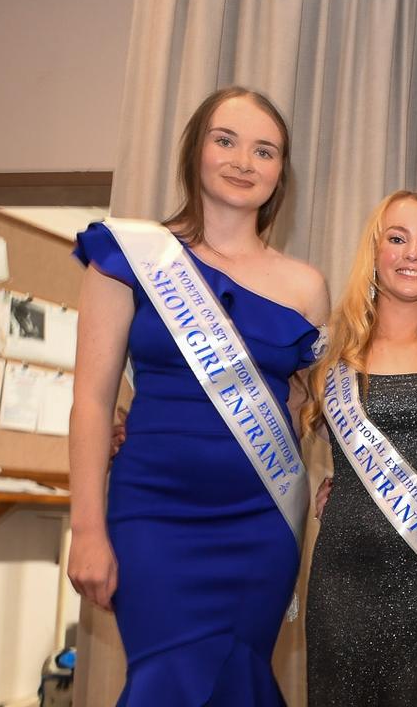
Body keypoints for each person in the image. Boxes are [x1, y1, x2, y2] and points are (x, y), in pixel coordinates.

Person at [67, 86, 330, 705]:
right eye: (226, 140)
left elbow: (304, 409)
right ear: (195, 151)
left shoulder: (306, 286)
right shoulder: (127, 256)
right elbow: (90, 401)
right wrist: (86, 528)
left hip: (260, 525)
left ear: (279, 173)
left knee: (239, 677)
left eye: (265, 151)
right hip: (153, 515)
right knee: (167, 680)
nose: (244, 161)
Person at [302, 190, 417, 706]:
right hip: (342, 577)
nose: (412, 254)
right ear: (374, 252)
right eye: (396, 238)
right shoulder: (330, 356)